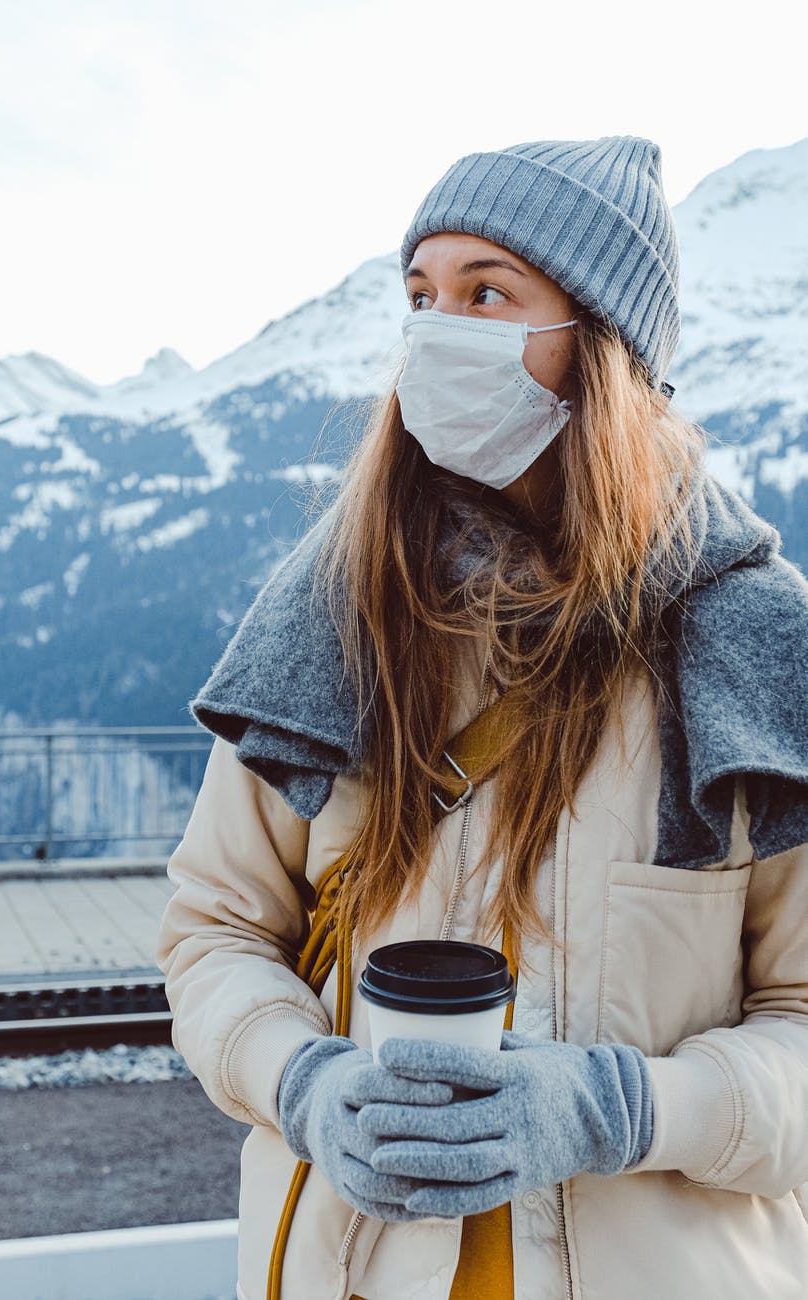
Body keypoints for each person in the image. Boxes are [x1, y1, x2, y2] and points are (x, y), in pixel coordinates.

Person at [156, 136, 808, 1300]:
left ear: (599, 345)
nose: (436, 331)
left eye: (486, 292)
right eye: (420, 296)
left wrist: (628, 1109)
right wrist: (300, 1078)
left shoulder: (754, 645)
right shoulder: (335, 613)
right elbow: (214, 929)